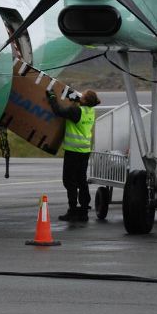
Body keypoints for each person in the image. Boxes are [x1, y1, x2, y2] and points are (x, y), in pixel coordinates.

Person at [45, 88, 101, 222]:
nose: (81, 95)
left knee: (69, 181)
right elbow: (79, 104)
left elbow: (58, 111)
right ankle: (83, 210)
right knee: (81, 180)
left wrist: (52, 97)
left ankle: (72, 210)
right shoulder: (90, 111)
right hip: (84, 151)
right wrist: (76, 98)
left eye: (83, 95)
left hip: (73, 151)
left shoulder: (76, 111)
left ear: (85, 100)